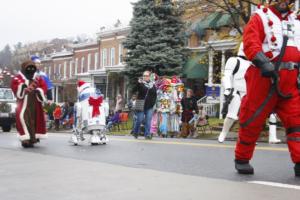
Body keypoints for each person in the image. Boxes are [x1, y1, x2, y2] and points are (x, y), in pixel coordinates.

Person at [235, 0, 300, 176]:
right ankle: (242, 158)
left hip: (291, 81)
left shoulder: (296, 21)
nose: (284, 2)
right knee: (252, 118)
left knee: (297, 122)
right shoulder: (260, 17)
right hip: (265, 78)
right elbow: (250, 42)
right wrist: (262, 62)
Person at [218, 43, 251, 143]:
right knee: (231, 115)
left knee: (249, 117)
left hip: (248, 92)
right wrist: (228, 88)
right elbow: (226, 75)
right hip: (235, 91)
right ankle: (223, 133)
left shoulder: (252, 63)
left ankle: (247, 137)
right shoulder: (234, 60)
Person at [11, 60, 48, 148]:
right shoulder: (18, 78)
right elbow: (15, 86)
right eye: (29, 68)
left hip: (35, 103)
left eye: (33, 68)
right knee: (23, 119)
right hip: (23, 103)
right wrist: (22, 87)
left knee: (34, 120)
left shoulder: (38, 79)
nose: (31, 70)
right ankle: (25, 139)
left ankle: (33, 138)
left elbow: (44, 87)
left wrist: (39, 91)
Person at [132, 70, 157, 139]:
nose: (145, 77)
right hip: (141, 105)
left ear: (149, 77)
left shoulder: (153, 85)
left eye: (146, 76)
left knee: (148, 121)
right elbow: (134, 90)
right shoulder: (141, 84)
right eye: (144, 76)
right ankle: (136, 132)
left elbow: (155, 95)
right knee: (139, 120)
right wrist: (138, 83)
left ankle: (147, 134)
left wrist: (153, 103)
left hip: (149, 106)